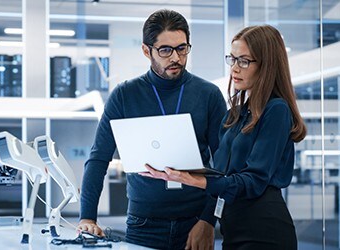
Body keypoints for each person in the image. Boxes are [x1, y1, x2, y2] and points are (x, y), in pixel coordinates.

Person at [141, 25, 307, 250]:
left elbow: (254, 180)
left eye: (244, 61)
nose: (235, 69)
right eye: (233, 59)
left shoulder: (276, 110)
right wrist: (178, 172)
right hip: (233, 229)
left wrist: (192, 180)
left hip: (265, 230)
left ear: (267, 65)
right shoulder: (235, 115)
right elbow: (221, 174)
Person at [77, 9, 227, 250]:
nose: (176, 57)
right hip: (143, 223)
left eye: (182, 48)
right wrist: (87, 217)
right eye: (165, 50)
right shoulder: (125, 95)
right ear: (147, 51)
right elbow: (98, 159)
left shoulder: (208, 95)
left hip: (196, 220)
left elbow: (223, 165)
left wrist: (209, 220)